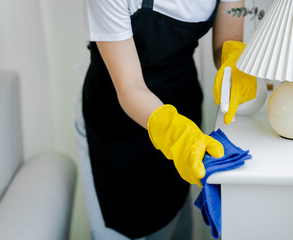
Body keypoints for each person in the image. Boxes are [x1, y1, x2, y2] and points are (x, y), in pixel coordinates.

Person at [75, 0, 256, 239]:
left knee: (173, 221)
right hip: (116, 130)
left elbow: (227, 38)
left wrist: (233, 58)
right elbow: (129, 87)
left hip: (183, 112)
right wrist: (175, 134)